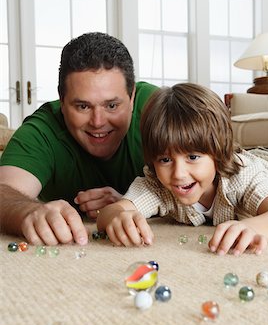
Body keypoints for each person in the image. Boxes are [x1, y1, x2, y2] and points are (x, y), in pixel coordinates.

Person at [96, 83, 268, 256]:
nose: (178, 173)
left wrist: (254, 227)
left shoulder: (246, 175)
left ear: (218, 153)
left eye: (192, 157)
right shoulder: (157, 184)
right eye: (165, 159)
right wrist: (117, 216)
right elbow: (111, 211)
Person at [0, 32, 158, 245]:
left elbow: (210, 167)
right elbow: (4, 191)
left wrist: (131, 202)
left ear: (132, 98)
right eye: (83, 106)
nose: (98, 122)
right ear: (62, 101)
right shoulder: (42, 130)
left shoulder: (157, 109)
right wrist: (29, 211)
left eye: (112, 105)